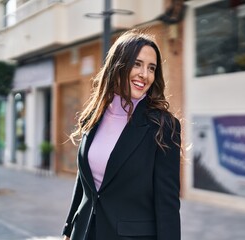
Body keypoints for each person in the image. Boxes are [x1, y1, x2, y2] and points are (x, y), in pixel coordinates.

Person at [62, 29, 182, 240]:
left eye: (151, 68)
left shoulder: (163, 126)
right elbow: (84, 180)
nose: (144, 75)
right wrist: (68, 229)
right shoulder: (94, 115)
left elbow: (167, 203)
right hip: (85, 233)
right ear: (118, 65)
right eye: (137, 64)